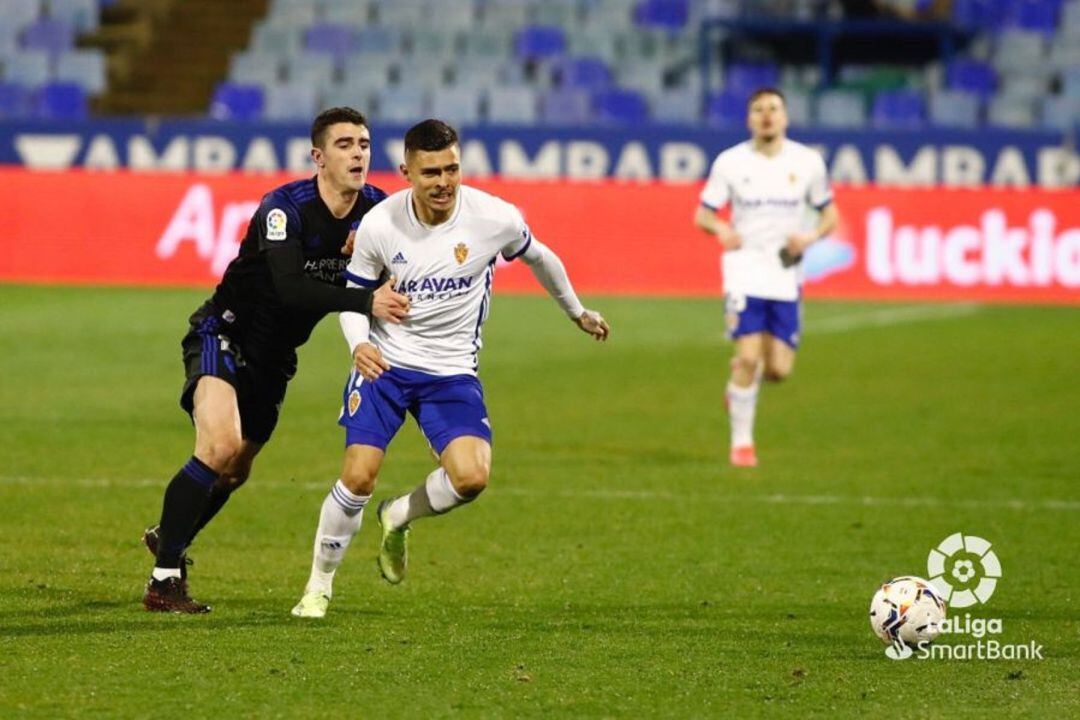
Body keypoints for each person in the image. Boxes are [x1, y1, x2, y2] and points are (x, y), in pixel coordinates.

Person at [290, 119, 610, 619]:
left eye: (452, 169)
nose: (444, 182)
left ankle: (399, 514)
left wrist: (577, 312)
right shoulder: (380, 224)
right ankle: (319, 586)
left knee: (471, 477)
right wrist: (359, 344)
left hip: (452, 371)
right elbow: (355, 295)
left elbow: (540, 257)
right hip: (386, 365)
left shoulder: (493, 218)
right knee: (358, 476)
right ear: (406, 173)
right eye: (431, 172)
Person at [142, 107, 411, 613]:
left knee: (235, 470)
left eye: (364, 144)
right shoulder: (284, 208)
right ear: (318, 157)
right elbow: (289, 289)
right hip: (225, 333)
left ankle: (170, 535)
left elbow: (411, 255)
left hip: (276, 356)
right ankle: (164, 580)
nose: (358, 153)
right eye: (345, 144)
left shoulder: (379, 212)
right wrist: (365, 299)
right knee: (219, 446)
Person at [693, 87, 838, 468]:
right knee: (748, 357)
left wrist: (810, 236)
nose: (767, 115)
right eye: (758, 109)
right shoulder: (730, 162)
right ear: (749, 119)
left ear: (785, 117)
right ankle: (742, 444)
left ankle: (739, 387)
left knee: (778, 369)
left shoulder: (808, 163)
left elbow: (830, 214)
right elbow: (703, 214)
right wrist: (721, 230)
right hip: (744, 269)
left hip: (785, 272)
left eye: (774, 108)